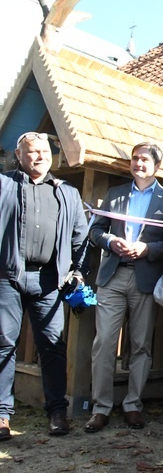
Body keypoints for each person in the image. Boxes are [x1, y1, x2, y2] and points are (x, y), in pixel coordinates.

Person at [86, 142, 163, 433]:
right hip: (112, 276)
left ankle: (132, 404)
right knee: (103, 343)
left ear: (157, 166)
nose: (138, 163)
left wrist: (147, 248)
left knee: (141, 345)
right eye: (135, 158)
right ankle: (100, 407)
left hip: (146, 279)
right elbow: (95, 230)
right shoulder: (115, 194)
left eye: (144, 159)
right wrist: (110, 242)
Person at [0, 131, 88, 440]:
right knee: (3, 344)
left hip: (49, 281)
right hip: (7, 277)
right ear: (19, 156)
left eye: (44, 152)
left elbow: (80, 235)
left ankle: (57, 413)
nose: (40, 156)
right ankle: (1, 415)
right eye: (33, 152)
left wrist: (77, 270)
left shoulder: (67, 192)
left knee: (52, 347)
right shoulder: (3, 184)